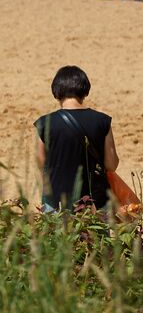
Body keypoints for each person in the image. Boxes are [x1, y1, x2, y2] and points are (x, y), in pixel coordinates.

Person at [34, 66, 119, 211]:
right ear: (85, 90)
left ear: (56, 91)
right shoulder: (102, 121)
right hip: (94, 203)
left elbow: (42, 165)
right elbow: (111, 164)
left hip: (57, 203)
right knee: (96, 234)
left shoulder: (44, 123)